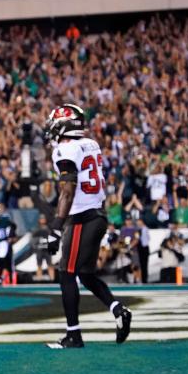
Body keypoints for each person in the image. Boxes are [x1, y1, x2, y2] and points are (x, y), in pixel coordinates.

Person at [43, 104, 131, 349]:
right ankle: (118, 311)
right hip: (97, 214)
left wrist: (56, 226)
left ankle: (74, 335)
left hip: (81, 217)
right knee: (86, 274)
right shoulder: (90, 144)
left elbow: (68, 191)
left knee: (66, 273)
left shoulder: (66, 149)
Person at [30, 215, 55, 281]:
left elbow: (53, 238)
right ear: (39, 220)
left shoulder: (49, 229)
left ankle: (52, 279)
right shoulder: (36, 229)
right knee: (39, 265)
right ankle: (39, 279)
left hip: (47, 249)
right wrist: (35, 247)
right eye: (41, 219)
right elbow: (32, 240)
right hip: (39, 249)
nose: (42, 220)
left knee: (50, 265)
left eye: (43, 219)